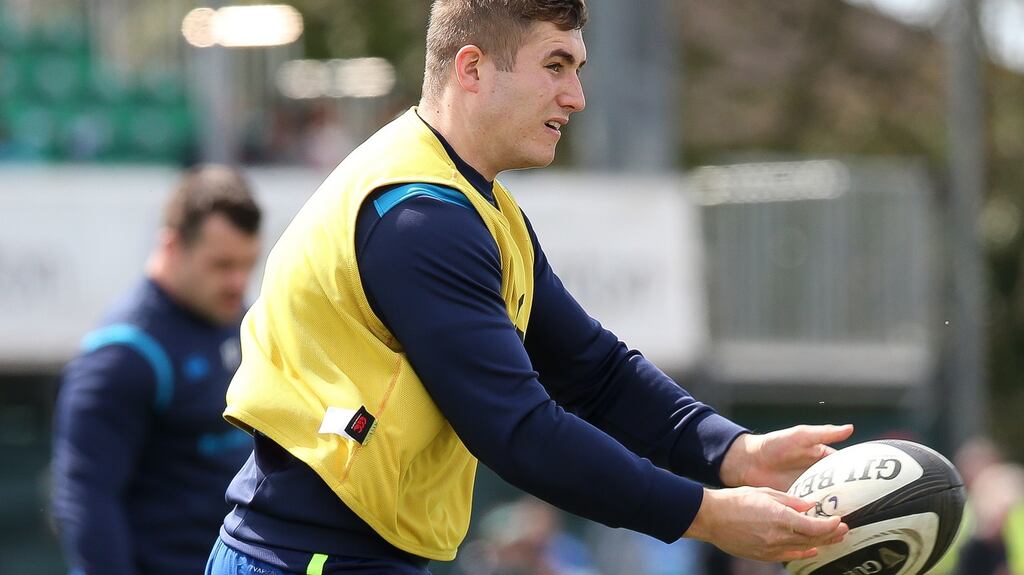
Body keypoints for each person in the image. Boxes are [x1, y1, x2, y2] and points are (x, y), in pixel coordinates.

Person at [206, 2, 852, 574]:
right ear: (472, 68)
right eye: (555, 65)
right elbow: (519, 430)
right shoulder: (419, 218)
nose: (576, 96)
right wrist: (703, 513)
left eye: (576, 69)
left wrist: (735, 450)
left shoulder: (476, 205)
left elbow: (594, 370)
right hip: (310, 558)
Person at [51, 165, 263, 575]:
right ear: (172, 247)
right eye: (221, 265)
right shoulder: (123, 356)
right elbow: (85, 502)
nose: (238, 282)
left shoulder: (239, 321)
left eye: (247, 264)